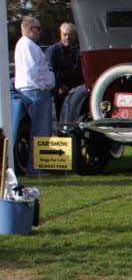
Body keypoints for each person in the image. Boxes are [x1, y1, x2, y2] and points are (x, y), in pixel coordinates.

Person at [14, 16, 55, 174]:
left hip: (28, 90)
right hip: (36, 91)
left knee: (36, 131)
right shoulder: (29, 45)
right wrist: (47, 85)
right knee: (41, 131)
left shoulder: (23, 45)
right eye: (38, 28)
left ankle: (36, 167)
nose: (40, 32)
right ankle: (37, 168)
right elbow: (34, 72)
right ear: (31, 29)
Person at [45, 22, 82, 119]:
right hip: (60, 91)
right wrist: (58, 87)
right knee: (61, 119)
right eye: (65, 34)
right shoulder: (53, 51)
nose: (67, 37)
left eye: (70, 35)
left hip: (76, 90)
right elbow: (49, 72)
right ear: (60, 35)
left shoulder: (78, 50)